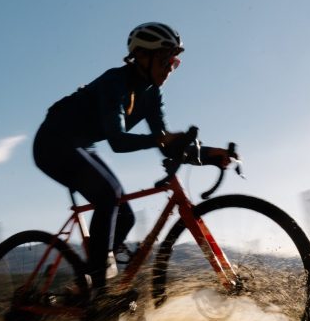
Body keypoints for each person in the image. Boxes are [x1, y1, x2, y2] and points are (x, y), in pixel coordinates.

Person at [33, 22, 231, 295]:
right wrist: (162, 139)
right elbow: (118, 142)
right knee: (109, 194)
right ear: (142, 55)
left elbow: (166, 144)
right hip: (53, 143)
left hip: (82, 147)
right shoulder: (114, 82)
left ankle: (87, 286)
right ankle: (99, 293)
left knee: (125, 216)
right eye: (165, 60)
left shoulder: (152, 93)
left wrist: (209, 155)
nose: (170, 69)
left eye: (174, 62)